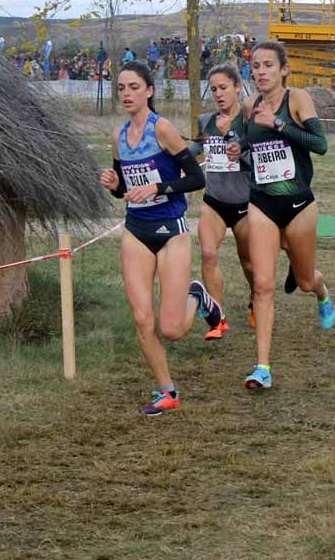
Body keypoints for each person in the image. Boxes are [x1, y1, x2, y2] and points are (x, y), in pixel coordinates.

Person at [99, 61, 223, 417]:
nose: (127, 94)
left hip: (171, 231)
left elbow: (197, 179)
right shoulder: (118, 137)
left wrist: (159, 186)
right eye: (121, 88)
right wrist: (114, 186)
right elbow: (125, 189)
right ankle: (167, 390)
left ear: (149, 91)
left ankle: (198, 296)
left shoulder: (163, 129)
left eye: (134, 87)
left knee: (171, 329)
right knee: (142, 319)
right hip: (137, 230)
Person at [224, 40, 334, 390]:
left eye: (268, 65)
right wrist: (235, 146)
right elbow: (239, 137)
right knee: (262, 283)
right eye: (255, 66)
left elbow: (321, 145)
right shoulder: (248, 105)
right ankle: (262, 367)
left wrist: (279, 125)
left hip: (299, 203)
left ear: (284, 69)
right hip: (262, 203)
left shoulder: (297, 98)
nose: (261, 72)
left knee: (303, 281)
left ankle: (321, 291)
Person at [189, 64, 255, 340]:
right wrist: (170, 156)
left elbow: (260, 160)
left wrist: (239, 153)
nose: (218, 94)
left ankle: (256, 301)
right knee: (208, 254)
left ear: (237, 88)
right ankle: (217, 318)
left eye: (223, 88)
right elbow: (194, 149)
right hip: (214, 200)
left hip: (246, 203)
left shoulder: (249, 120)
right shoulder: (206, 121)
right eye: (213, 89)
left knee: (249, 262)